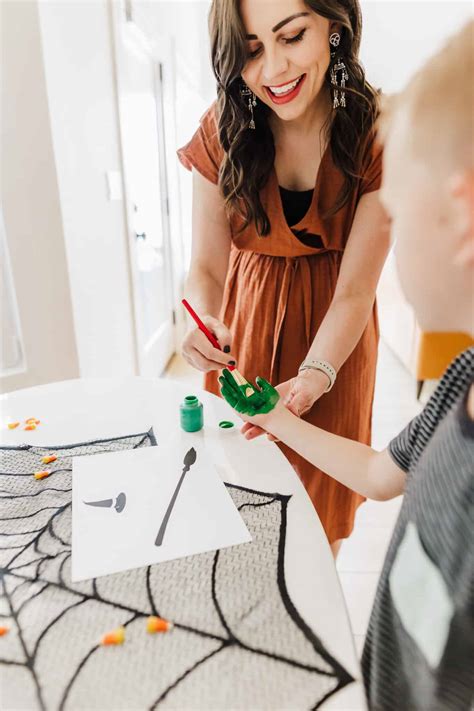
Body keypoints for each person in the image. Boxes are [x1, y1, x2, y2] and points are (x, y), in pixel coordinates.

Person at [219, 20, 474, 710]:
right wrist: (276, 412)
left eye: (396, 200)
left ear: (463, 215)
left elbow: (355, 291)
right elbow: (376, 473)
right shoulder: (459, 385)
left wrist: (317, 373)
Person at [178, 0, 390, 555]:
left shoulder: (377, 134)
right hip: (244, 334)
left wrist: (315, 376)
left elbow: (355, 290)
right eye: (250, 52)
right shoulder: (222, 128)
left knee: (315, 532)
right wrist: (200, 320)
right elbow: (204, 269)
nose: (273, 71)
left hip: (332, 351)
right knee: (235, 513)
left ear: (334, 28)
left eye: (292, 37)